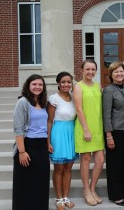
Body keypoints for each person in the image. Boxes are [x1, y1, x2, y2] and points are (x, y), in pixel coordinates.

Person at [12, 74, 50, 210]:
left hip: (41, 147)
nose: (37, 87)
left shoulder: (43, 102)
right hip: (27, 146)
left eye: (40, 84)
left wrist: (48, 144)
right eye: (34, 84)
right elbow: (19, 128)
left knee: (41, 183)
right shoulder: (23, 102)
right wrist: (22, 152)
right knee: (25, 185)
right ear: (28, 85)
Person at [102, 62, 124, 207]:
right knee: (115, 164)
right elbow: (106, 114)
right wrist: (109, 135)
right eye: (116, 72)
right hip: (116, 132)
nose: (119, 74)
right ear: (111, 75)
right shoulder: (109, 90)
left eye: (121, 72)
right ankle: (116, 195)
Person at [73, 59, 105, 206]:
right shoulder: (78, 87)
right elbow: (79, 109)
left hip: (98, 128)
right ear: (82, 70)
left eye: (93, 69)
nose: (91, 72)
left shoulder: (98, 86)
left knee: (100, 161)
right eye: (88, 69)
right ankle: (86, 190)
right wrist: (86, 129)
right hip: (84, 128)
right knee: (85, 160)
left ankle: (93, 189)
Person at [47, 72, 78, 210]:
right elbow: (49, 121)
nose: (66, 84)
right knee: (59, 168)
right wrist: (48, 141)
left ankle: (66, 197)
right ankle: (59, 198)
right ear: (58, 83)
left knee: (68, 167)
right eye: (63, 82)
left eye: (69, 82)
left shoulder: (74, 97)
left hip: (71, 133)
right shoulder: (54, 99)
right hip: (58, 133)